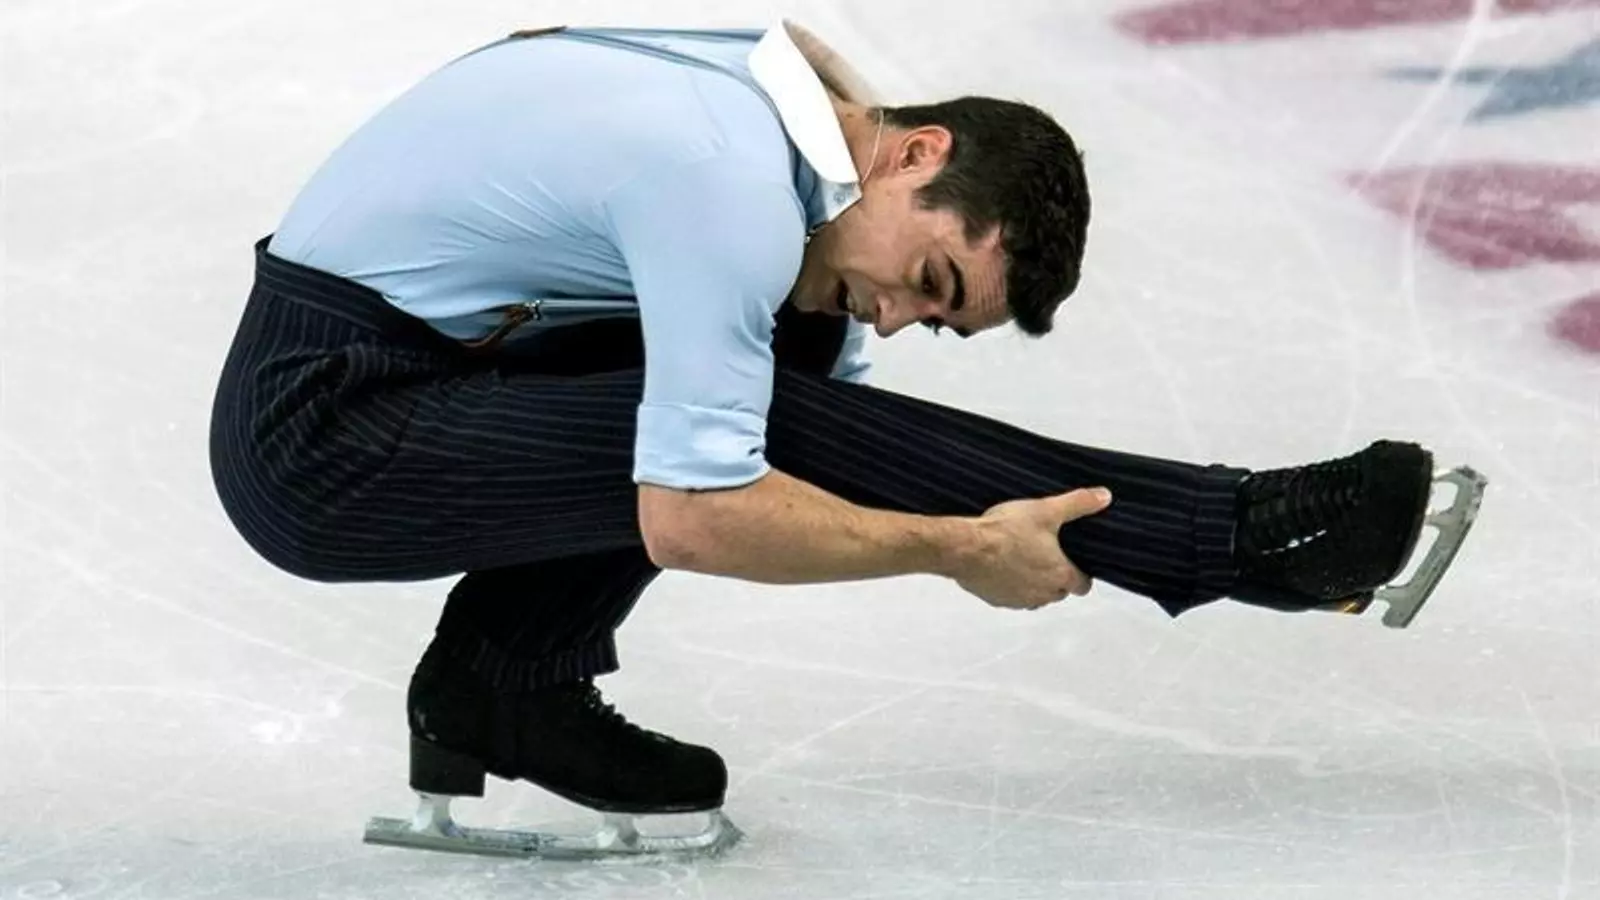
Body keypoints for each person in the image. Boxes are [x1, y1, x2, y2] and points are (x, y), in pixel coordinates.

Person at [207, 21, 1483, 856]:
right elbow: (694, 517)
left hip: (416, 361)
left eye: (939, 317)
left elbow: (796, 60)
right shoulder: (720, 179)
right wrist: (957, 548)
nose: (902, 314)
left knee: (797, 345)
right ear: (918, 150)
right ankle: (1236, 532)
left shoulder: (777, 103)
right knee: (761, 400)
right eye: (931, 280)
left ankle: (502, 689)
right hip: (321, 441)